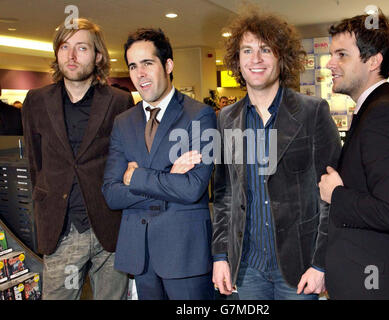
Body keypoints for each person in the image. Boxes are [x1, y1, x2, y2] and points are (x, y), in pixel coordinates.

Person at [212, 8, 341, 300]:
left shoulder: (313, 112)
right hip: (245, 270)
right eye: (247, 50)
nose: (255, 59)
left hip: (299, 269)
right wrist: (221, 255)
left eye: (265, 49)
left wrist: (321, 263)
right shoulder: (226, 119)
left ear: (281, 58)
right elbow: (224, 196)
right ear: (237, 60)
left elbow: (332, 199)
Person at [319, 11, 389, 300]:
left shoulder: (383, 115)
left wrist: (337, 193)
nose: (330, 63)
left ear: (373, 61)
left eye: (342, 55)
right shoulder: (376, 110)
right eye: (331, 54)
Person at [21, 18, 133, 300]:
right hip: (62, 229)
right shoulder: (36, 101)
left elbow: (126, 159)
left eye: (81, 48)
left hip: (110, 227)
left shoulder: (119, 101)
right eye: (65, 47)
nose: (71, 56)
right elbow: (36, 164)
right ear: (57, 53)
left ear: (97, 56)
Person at [102, 28, 216, 300]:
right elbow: (111, 193)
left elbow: (192, 189)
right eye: (132, 66)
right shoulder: (123, 122)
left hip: (185, 253)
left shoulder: (199, 115)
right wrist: (168, 177)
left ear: (168, 65)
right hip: (140, 254)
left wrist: (137, 177)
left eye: (147, 63)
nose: (139, 74)